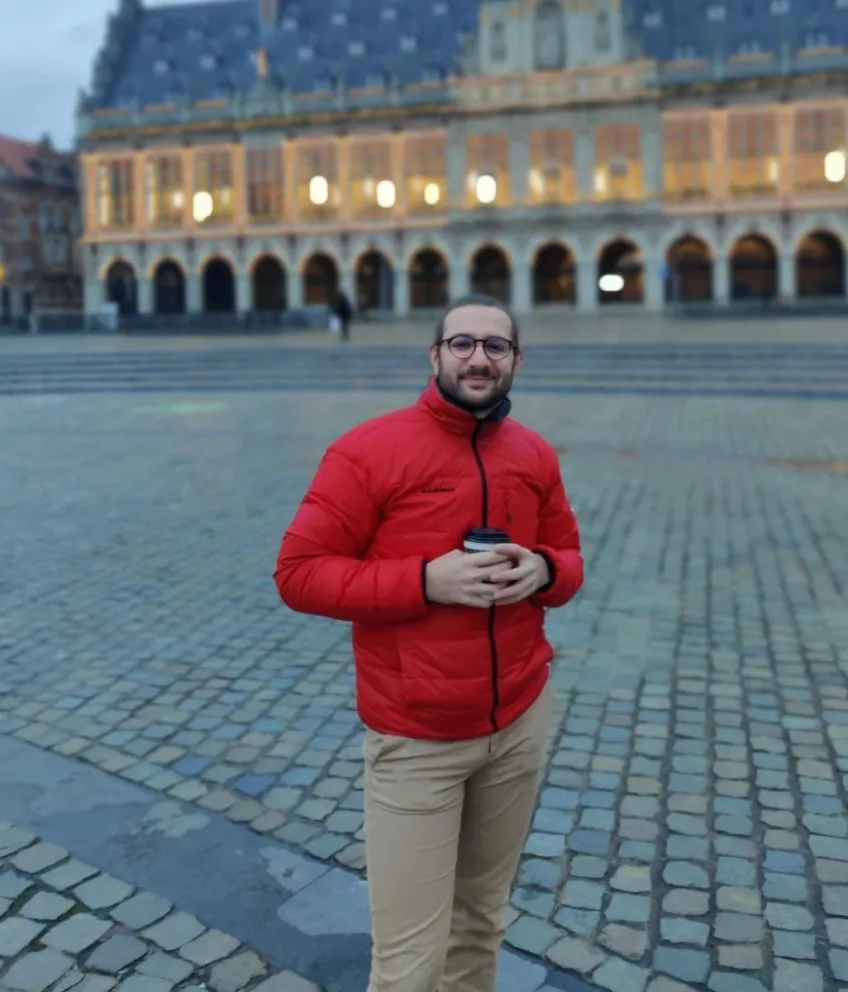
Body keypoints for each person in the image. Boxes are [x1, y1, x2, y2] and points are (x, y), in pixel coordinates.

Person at [274, 294, 583, 992]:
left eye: (495, 346)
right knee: (409, 962)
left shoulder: (533, 453)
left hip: (519, 723)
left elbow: (569, 557)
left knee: (480, 923)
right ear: (436, 355)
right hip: (418, 741)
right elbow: (298, 575)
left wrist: (544, 568)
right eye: (463, 343)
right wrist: (425, 581)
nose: (479, 357)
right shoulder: (367, 450)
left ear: (516, 361)